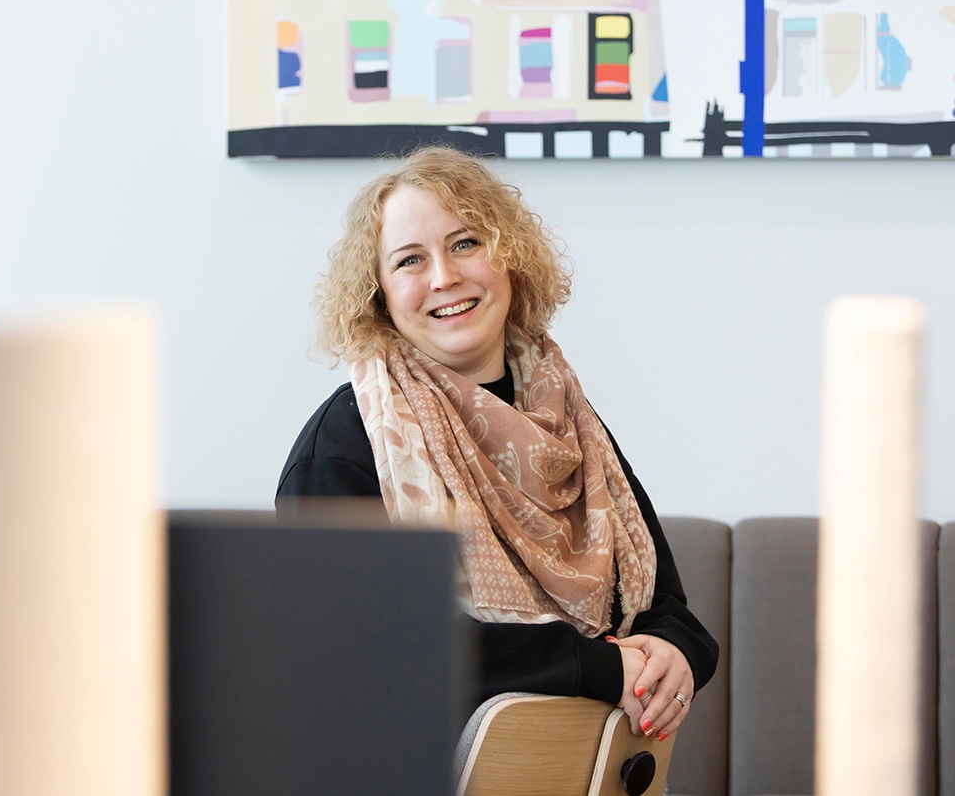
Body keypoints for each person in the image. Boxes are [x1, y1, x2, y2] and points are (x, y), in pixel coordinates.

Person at [277, 146, 718, 742]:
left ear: (509, 257)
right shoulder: (345, 445)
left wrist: (676, 653)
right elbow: (371, 647)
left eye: (465, 243)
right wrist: (596, 666)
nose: (444, 277)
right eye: (409, 260)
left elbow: (665, 603)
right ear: (377, 293)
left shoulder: (566, 419)